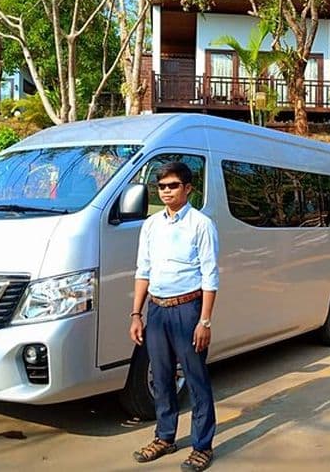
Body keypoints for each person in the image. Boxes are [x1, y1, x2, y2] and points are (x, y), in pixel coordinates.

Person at [129, 161, 219, 472]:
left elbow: (210, 276)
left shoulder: (200, 225)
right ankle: (165, 436)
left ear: (188, 188)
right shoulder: (151, 225)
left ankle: (202, 445)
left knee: (195, 379)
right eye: (162, 186)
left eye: (173, 186)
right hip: (156, 310)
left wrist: (204, 321)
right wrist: (136, 314)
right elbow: (143, 271)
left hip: (187, 309)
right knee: (162, 378)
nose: (166, 191)